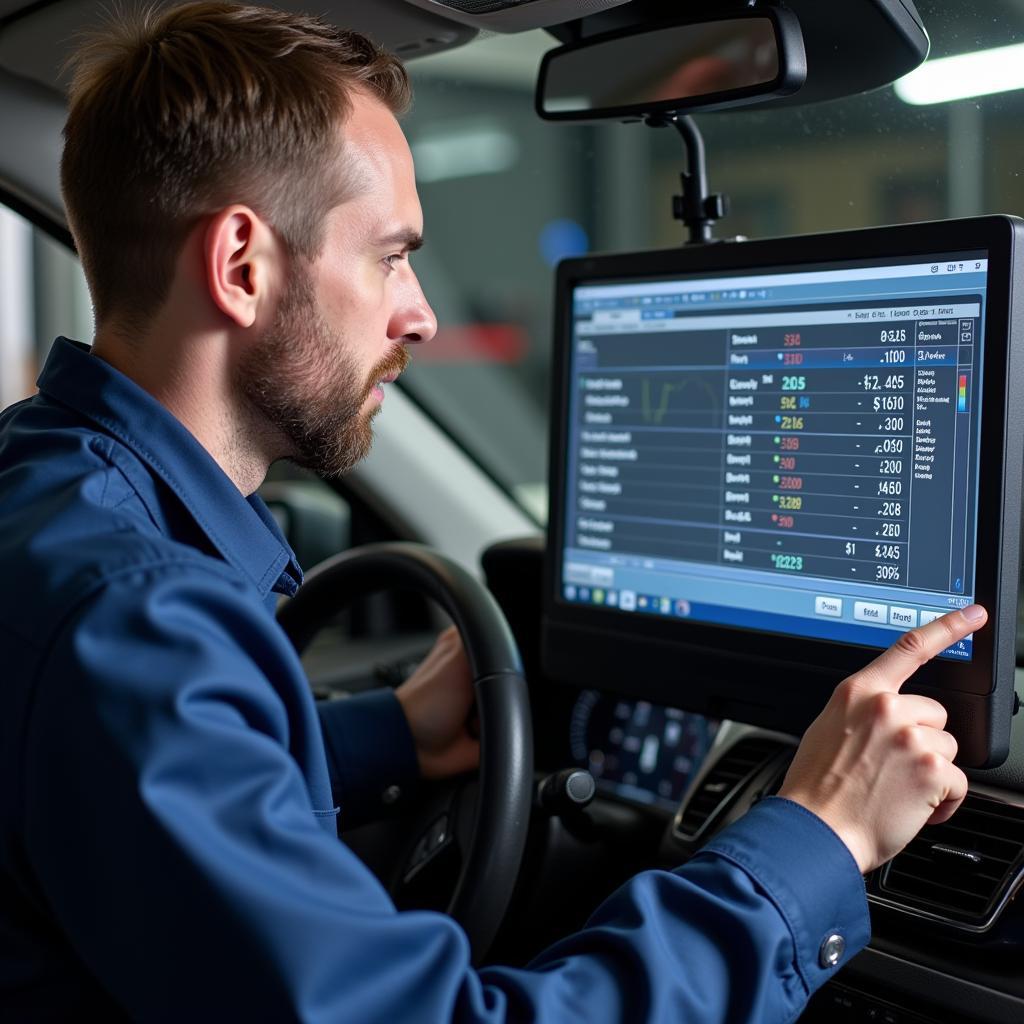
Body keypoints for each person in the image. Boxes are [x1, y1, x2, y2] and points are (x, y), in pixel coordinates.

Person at [0, 3, 979, 1021]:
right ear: (242, 265)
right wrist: (818, 839)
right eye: (389, 255)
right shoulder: (138, 622)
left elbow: (125, 797)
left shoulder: (45, 489)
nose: (418, 312)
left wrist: (390, 736)